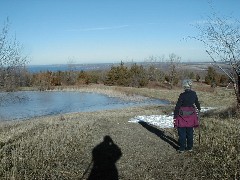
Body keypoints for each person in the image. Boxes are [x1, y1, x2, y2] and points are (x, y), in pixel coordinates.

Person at [173, 79, 201, 153]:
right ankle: (189, 147)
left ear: (184, 86)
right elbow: (197, 103)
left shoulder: (182, 95)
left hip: (181, 116)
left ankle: (182, 148)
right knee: (190, 132)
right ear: (190, 86)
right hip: (191, 116)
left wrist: (175, 117)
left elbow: (177, 106)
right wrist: (199, 109)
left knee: (182, 133)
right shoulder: (194, 94)